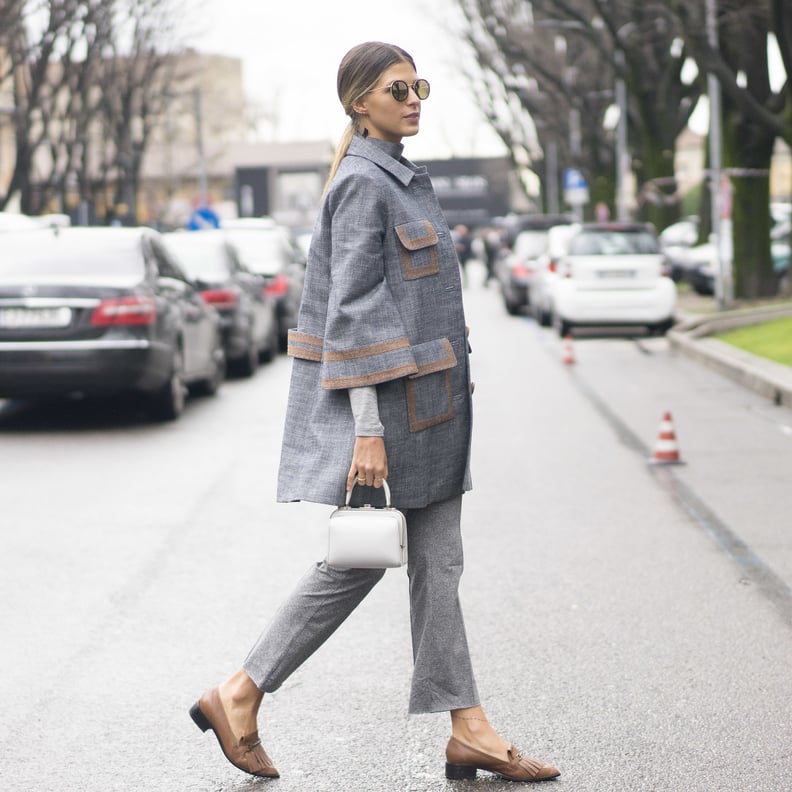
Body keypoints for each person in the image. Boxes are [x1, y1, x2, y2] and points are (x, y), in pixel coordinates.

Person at [189, 41, 560, 784]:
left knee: (435, 564)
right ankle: (240, 691)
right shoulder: (364, 183)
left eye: (419, 85)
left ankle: (468, 728)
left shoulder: (402, 175)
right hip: (392, 415)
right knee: (360, 562)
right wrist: (365, 428)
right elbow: (351, 311)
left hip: (433, 407)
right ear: (361, 101)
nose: (414, 97)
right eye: (398, 88)